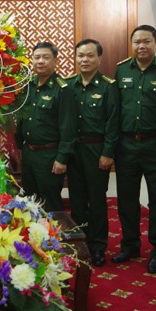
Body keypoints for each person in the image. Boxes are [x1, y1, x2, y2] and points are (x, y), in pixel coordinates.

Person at [113, 25, 156, 273]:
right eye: (137, 41)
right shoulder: (121, 70)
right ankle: (130, 245)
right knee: (127, 199)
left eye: (147, 41)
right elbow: (116, 110)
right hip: (127, 144)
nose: (141, 46)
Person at [66, 39, 119, 267]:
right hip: (73, 150)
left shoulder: (108, 86)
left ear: (99, 58)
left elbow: (112, 123)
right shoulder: (67, 85)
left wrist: (108, 153)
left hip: (96, 150)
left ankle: (98, 246)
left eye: (89, 56)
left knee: (97, 200)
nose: (84, 60)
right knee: (76, 199)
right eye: (80, 56)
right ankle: (79, 243)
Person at [15, 42, 76, 212]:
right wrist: (20, 147)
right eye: (37, 57)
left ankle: (56, 238)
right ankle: (34, 238)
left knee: (50, 203)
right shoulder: (28, 86)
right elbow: (21, 119)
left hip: (50, 156)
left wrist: (62, 158)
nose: (40, 61)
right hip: (29, 154)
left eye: (46, 57)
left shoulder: (63, 89)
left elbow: (68, 127)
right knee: (29, 201)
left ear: (55, 61)